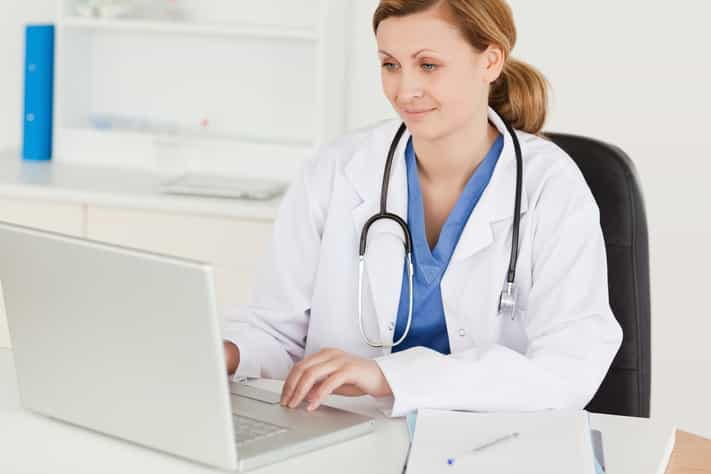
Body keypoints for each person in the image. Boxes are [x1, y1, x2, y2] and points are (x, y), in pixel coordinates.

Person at [222, 0, 623, 418]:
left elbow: (568, 367)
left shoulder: (550, 186)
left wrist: (389, 377)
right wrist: (228, 352)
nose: (404, 90)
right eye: (390, 64)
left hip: (493, 442)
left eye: (428, 65)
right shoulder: (338, 170)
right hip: (346, 434)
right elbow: (276, 332)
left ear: (489, 61)